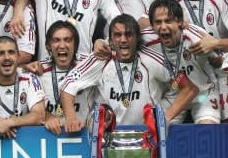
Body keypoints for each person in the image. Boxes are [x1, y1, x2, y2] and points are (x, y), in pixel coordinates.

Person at [51, 14, 199, 133]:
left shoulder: (152, 60)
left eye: (128, 34)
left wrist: (165, 117)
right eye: (117, 35)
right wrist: (71, 118)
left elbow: (189, 88)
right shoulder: (101, 59)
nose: (123, 40)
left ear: (136, 38)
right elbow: (68, 85)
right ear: (111, 40)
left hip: (145, 136)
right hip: (109, 137)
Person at [144, 0, 228, 125]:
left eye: (168, 21)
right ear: (152, 25)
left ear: (181, 22)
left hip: (204, 95)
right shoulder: (146, 40)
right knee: (154, 130)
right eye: (158, 22)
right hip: (174, 96)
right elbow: (124, 36)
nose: (163, 27)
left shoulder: (198, 39)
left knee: (207, 130)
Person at [35, 21, 94, 123]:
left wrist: (100, 42)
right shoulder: (38, 69)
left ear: (75, 45)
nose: (62, 46)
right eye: (56, 40)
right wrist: (47, 116)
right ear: (48, 46)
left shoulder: (88, 65)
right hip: (47, 135)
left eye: (67, 40)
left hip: (82, 134)